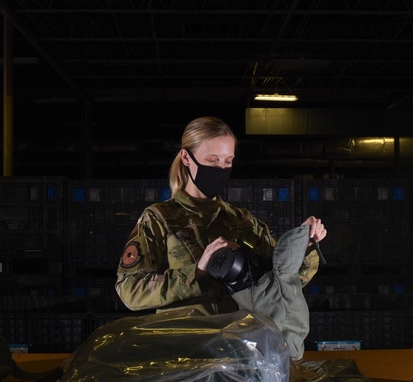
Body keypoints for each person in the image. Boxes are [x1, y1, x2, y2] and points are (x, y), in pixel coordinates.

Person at [115, 116, 327, 319]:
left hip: (237, 343)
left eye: (228, 161)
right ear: (187, 158)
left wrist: (303, 245)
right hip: (185, 347)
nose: (221, 168)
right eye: (212, 160)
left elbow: (284, 282)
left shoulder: (241, 220)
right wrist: (197, 272)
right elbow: (130, 290)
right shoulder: (159, 218)